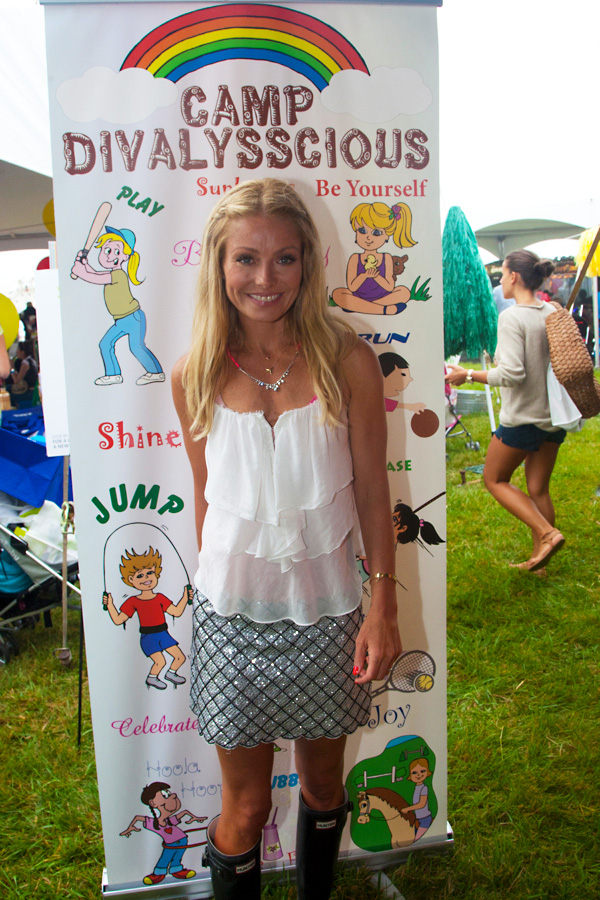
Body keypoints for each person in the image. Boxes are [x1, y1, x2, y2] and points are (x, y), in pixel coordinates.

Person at [172, 178, 402, 900]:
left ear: (309, 262)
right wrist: (206, 607)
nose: (264, 278)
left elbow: (373, 492)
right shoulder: (194, 372)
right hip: (229, 619)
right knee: (243, 808)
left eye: (284, 258)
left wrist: (381, 606)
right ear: (219, 265)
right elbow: (206, 499)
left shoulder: (347, 359)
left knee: (325, 784)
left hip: (329, 612)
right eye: (246, 258)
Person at [446, 250, 565, 572]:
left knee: (495, 479)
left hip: (523, 418)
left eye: (502, 274)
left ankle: (547, 534)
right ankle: (539, 562)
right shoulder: (552, 310)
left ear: (513, 276)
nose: (500, 282)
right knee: (538, 489)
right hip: (554, 418)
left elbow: (512, 374)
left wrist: (468, 374)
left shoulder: (513, 317)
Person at [70, 226, 164, 386]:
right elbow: (96, 274)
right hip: (121, 320)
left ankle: (155, 372)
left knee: (136, 347)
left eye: (116, 251)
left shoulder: (118, 274)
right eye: (106, 250)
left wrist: (81, 272)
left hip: (132, 318)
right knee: (105, 344)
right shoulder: (111, 274)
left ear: (125, 256)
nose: (110, 255)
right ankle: (113, 374)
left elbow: (95, 278)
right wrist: (84, 266)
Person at [332, 201, 418, 315]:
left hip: (383, 296)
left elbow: (389, 287)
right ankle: (385, 310)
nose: (368, 237)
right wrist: (364, 275)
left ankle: (360, 307)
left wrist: (376, 276)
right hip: (359, 296)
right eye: (362, 231)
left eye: (376, 233)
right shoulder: (355, 258)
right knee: (338, 294)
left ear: (386, 236)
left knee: (404, 292)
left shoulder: (386, 257)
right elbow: (352, 287)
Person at [6, 340, 39, 407]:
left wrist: (12, 368)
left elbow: (16, 381)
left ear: (22, 352)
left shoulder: (25, 363)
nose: (16, 352)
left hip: (30, 392)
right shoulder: (31, 360)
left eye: (18, 350)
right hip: (32, 391)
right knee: (8, 387)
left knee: (9, 396)